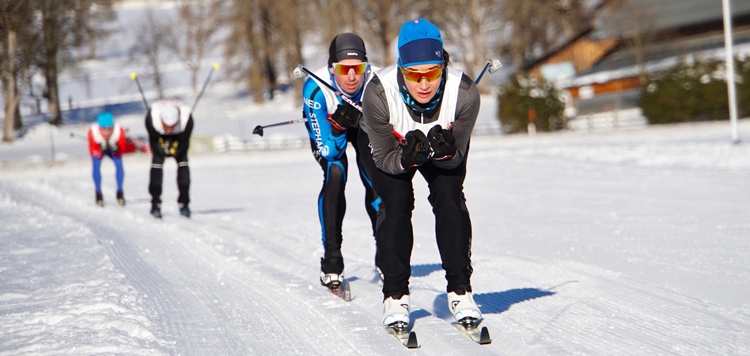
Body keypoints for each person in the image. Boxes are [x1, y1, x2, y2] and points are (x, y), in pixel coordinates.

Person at [357, 18, 483, 328]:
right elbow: (384, 158)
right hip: (394, 148)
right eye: (414, 75)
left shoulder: (464, 94)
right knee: (397, 202)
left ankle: (460, 291)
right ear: (401, 69)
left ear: (443, 66)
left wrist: (447, 152)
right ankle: (395, 296)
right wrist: (406, 160)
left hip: (438, 144)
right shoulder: (377, 94)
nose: (424, 84)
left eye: (432, 73)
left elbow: (456, 162)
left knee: (450, 197)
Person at [301, 33, 380, 292]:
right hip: (330, 128)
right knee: (335, 173)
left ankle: (386, 250)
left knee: (377, 177)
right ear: (331, 68)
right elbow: (328, 151)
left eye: (358, 69)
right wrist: (337, 128)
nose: (351, 77)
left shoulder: (378, 82)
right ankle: (332, 258)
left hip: (363, 125)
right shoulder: (316, 88)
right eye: (343, 70)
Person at [145, 98, 194, 219]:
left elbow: (185, 142)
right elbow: (153, 141)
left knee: (184, 172)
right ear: (161, 121)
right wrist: (160, 149)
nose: (169, 130)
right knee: (156, 169)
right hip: (158, 136)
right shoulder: (151, 119)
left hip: (180, 137)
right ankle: (155, 203)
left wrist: (178, 150)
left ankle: (184, 203)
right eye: (166, 126)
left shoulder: (187, 120)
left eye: (172, 126)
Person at [88, 111, 127, 207]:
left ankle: (120, 192)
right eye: (104, 129)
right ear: (99, 128)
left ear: (113, 127)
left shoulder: (119, 131)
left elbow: (123, 148)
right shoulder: (93, 132)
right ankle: (98, 193)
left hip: (113, 148)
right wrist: (100, 149)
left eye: (109, 129)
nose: (107, 132)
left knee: (119, 166)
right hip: (99, 148)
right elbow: (92, 149)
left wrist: (117, 148)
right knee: (96, 166)